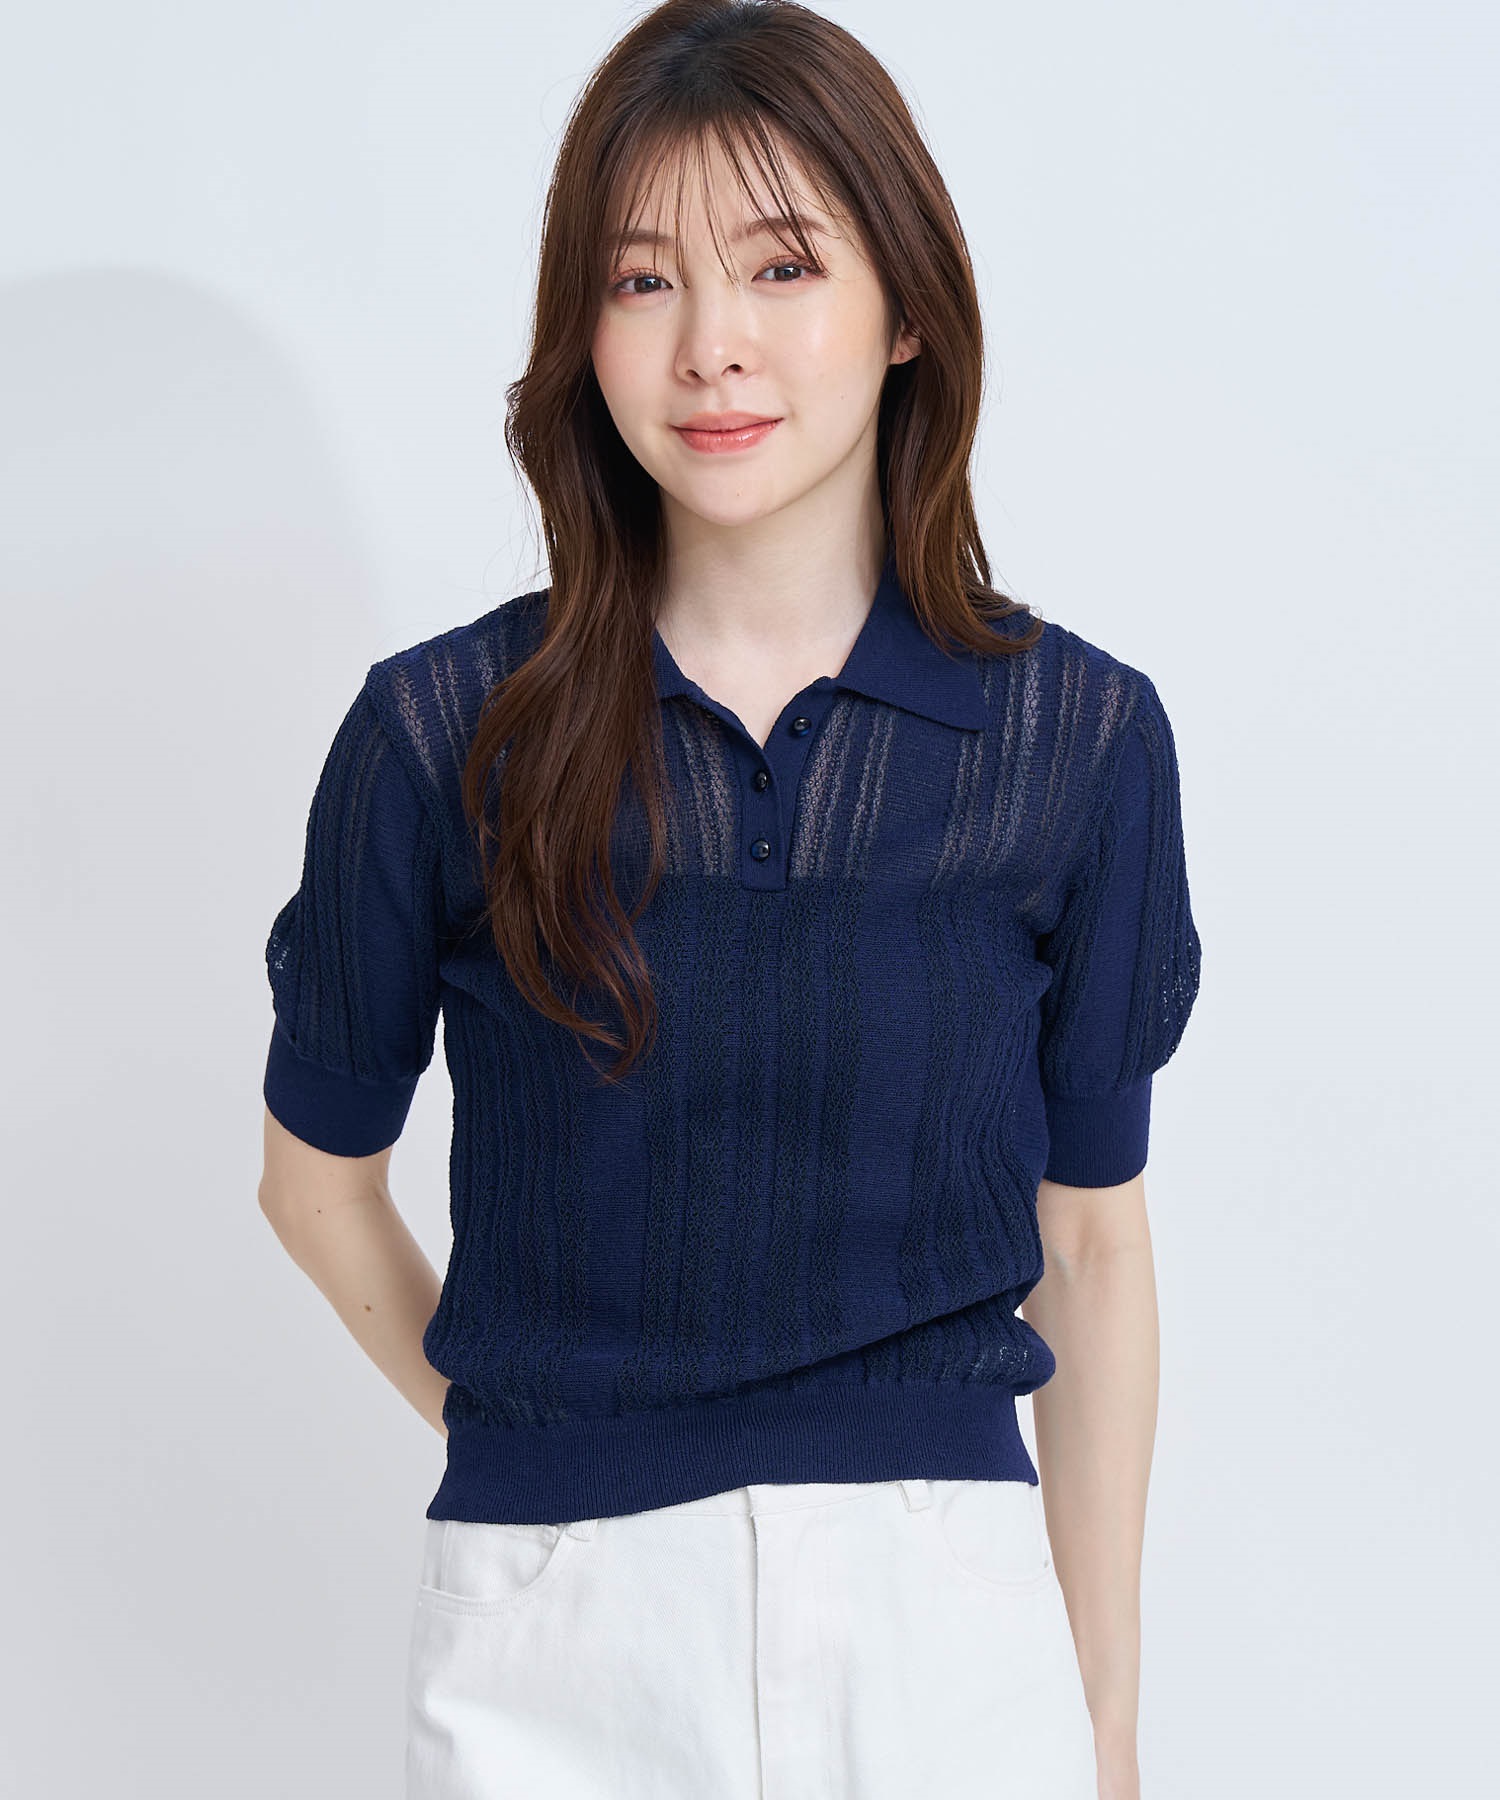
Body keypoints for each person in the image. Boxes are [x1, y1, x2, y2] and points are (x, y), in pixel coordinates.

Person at [256, 2, 1204, 1795]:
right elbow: (314, 1184)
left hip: (946, 1642)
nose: (713, 348)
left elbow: (1094, 1244)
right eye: (642, 281)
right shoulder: (443, 736)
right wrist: (533, 1455)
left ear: (906, 308)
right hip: (552, 1649)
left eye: (782, 268)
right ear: (583, 330)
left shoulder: (1072, 741)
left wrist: (1103, 1717)